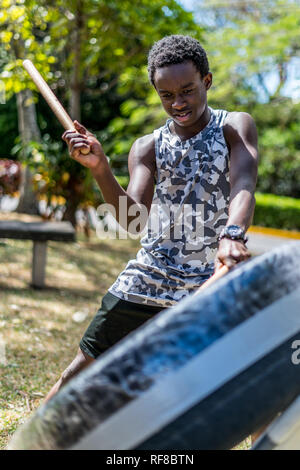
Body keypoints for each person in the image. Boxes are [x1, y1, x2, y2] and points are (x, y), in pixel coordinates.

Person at [45, 35, 258, 403]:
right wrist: (100, 169)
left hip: (214, 275)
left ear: (206, 81)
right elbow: (132, 221)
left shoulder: (233, 127)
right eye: (167, 95)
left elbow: (243, 183)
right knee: (79, 372)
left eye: (187, 91)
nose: (177, 103)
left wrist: (233, 233)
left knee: (252, 381)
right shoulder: (148, 146)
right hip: (151, 275)